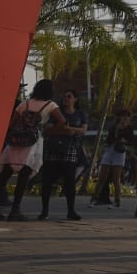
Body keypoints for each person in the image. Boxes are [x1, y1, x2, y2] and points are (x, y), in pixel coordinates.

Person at [0, 79, 66, 222]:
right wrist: (46, 132)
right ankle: (15, 211)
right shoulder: (50, 105)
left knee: (3, 176)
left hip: (15, 142)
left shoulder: (25, 103)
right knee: (23, 177)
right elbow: (62, 122)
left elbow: (11, 123)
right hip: (32, 144)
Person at [36, 88, 88, 221]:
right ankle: (44, 211)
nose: (66, 99)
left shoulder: (80, 113)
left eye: (69, 96)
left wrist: (70, 129)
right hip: (53, 149)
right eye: (65, 96)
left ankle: (71, 211)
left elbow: (83, 130)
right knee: (47, 182)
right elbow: (47, 130)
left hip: (70, 150)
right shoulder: (56, 112)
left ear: (75, 99)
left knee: (70, 182)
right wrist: (65, 130)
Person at [93, 108, 133, 208]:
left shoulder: (129, 129)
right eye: (123, 115)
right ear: (120, 117)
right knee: (102, 176)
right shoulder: (114, 126)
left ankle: (117, 201)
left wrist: (124, 141)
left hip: (119, 152)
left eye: (127, 116)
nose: (125, 118)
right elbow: (108, 139)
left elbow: (131, 142)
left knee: (116, 178)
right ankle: (94, 198)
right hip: (110, 150)